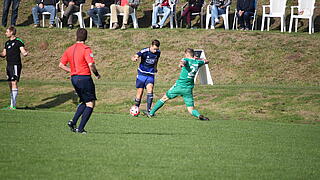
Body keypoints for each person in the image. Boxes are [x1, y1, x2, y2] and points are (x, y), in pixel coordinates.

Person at [145, 48, 209, 121]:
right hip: (188, 89)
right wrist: (198, 58)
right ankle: (199, 115)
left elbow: (183, 61)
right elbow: (206, 61)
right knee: (191, 109)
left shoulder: (186, 59)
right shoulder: (198, 62)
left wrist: (181, 64)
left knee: (164, 98)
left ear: (187, 54)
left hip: (179, 86)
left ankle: (151, 113)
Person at [59, 28, 101, 134]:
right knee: (91, 103)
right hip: (84, 78)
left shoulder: (69, 49)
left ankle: (73, 122)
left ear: (76, 36)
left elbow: (61, 65)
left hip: (74, 78)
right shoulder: (86, 49)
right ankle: (81, 128)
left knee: (84, 100)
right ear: (86, 37)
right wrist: (96, 74)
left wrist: (72, 70)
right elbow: (91, 64)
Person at [0, 27, 28, 110]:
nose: (5, 33)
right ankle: (11, 104)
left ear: (12, 32)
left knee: (14, 83)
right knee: (10, 84)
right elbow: (4, 54)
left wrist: (25, 53)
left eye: (7, 31)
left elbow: (23, 51)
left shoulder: (18, 42)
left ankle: (13, 105)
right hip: (9, 65)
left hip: (16, 65)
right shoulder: (7, 43)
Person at [131, 40, 161, 114]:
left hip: (150, 74)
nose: (155, 51)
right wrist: (134, 58)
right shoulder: (145, 51)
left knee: (150, 89)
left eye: (156, 49)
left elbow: (156, 60)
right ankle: (135, 108)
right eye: (154, 49)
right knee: (140, 92)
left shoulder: (158, 52)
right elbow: (136, 55)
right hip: (142, 74)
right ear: (151, 46)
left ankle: (149, 110)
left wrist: (155, 67)